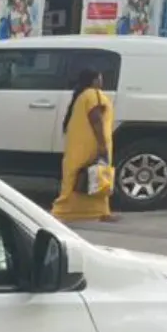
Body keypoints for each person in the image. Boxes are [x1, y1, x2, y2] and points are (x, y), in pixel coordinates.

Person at [52, 68, 117, 223]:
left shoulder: (81, 96)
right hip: (92, 144)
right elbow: (97, 120)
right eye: (100, 78)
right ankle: (97, 212)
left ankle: (95, 212)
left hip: (77, 146)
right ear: (94, 80)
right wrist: (102, 145)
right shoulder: (94, 95)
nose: (102, 81)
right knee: (98, 175)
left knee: (80, 177)